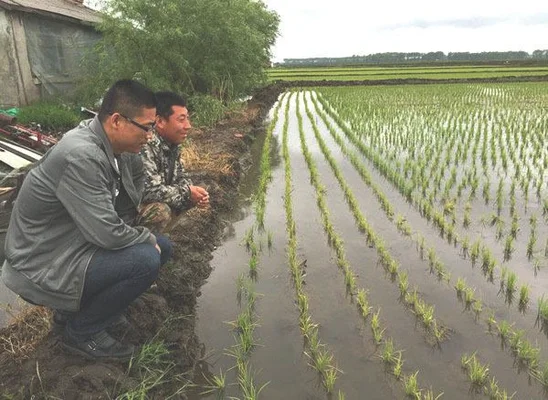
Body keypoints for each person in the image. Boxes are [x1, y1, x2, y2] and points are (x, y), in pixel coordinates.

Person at [1, 80, 173, 360]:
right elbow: (107, 233)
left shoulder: (120, 152)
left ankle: (88, 312)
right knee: (145, 259)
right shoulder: (82, 154)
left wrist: (147, 239)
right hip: (41, 262)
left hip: (70, 244)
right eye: (147, 127)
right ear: (117, 121)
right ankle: (82, 333)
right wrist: (146, 238)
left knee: (161, 248)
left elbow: (125, 211)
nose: (151, 136)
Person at [138, 91, 209, 232]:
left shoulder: (172, 145)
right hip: (129, 215)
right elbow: (150, 191)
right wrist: (188, 193)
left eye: (187, 118)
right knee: (161, 212)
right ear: (160, 122)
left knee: (195, 191)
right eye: (181, 120)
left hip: (155, 200)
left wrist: (195, 195)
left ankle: (157, 240)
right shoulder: (145, 145)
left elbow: (182, 176)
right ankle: (141, 247)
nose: (188, 126)